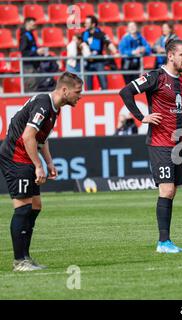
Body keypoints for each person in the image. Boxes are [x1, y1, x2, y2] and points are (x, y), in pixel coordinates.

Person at [0, 72, 83, 271]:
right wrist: (38, 166)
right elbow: (29, 136)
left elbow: (40, 139)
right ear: (64, 90)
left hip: (25, 156)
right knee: (23, 208)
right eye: (77, 92)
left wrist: (49, 163)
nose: (80, 96)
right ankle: (20, 261)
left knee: (35, 206)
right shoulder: (44, 105)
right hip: (15, 157)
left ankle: (26, 257)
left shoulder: (53, 108)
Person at [119, 39, 182, 253]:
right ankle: (162, 243)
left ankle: (167, 241)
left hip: (177, 144)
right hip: (160, 143)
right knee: (166, 190)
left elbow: (176, 112)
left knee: (172, 192)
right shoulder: (155, 77)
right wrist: (142, 116)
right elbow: (125, 92)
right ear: (170, 55)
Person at [82, 15, 119, 90]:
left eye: (87, 23)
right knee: (88, 87)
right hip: (88, 63)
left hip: (99, 62)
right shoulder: (84, 34)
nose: (85, 25)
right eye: (85, 23)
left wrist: (115, 52)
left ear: (93, 24)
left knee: (104, 84)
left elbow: (109, 43)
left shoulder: (100, 34)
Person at [19, 17, 48, 92]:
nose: (35, 25)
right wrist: (36, 52)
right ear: (27, 24)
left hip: (33, 64)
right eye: (33, 24)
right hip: (28, 66)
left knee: (35, 85)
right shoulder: (24, 36)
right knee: (31, 86)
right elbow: (23, 52)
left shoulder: (30, 34)